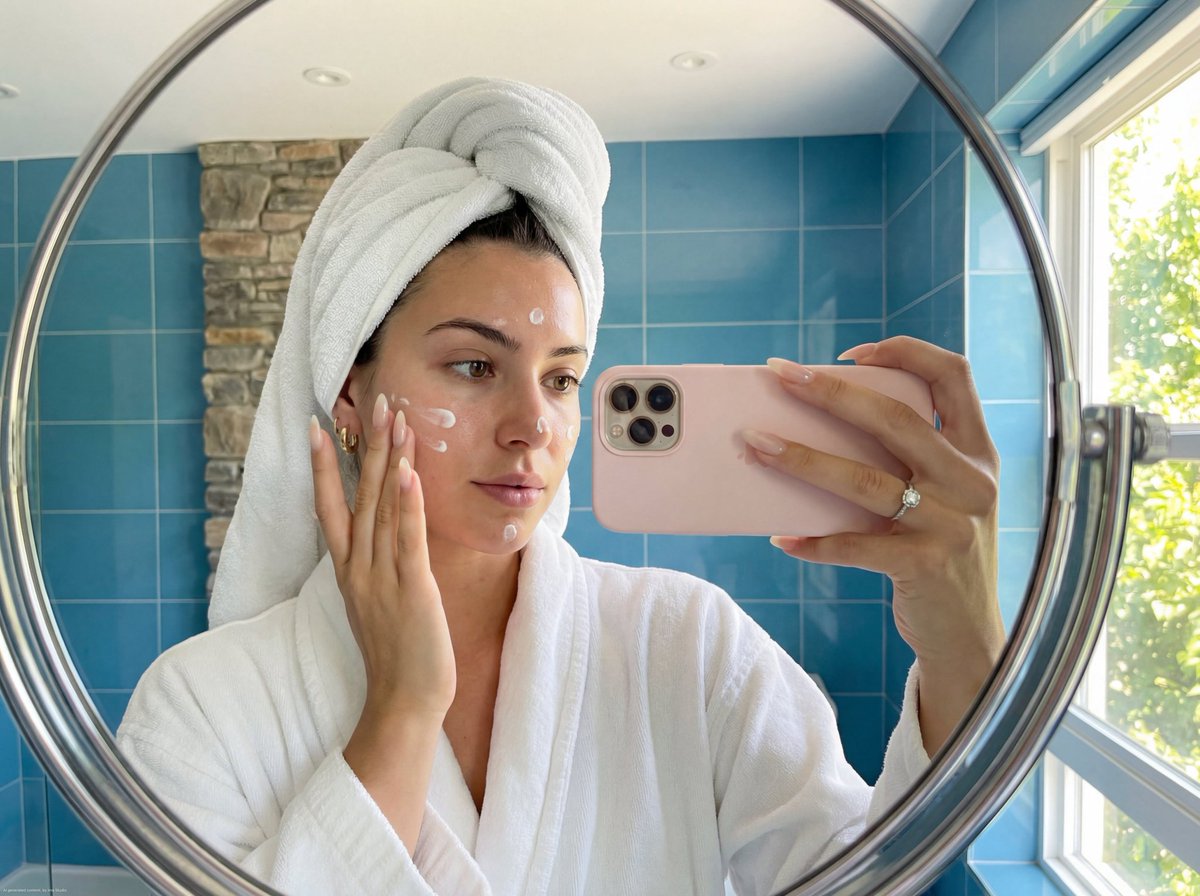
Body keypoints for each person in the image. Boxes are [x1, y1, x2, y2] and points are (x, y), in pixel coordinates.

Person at [117, 77, 1004, 895]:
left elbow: (878, 880)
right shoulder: (200, 705)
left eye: (563, 378)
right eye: (472, 364)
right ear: (350, 387)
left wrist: (963, 650)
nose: (533, 425)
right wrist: (399, 709)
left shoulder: (688, 648)